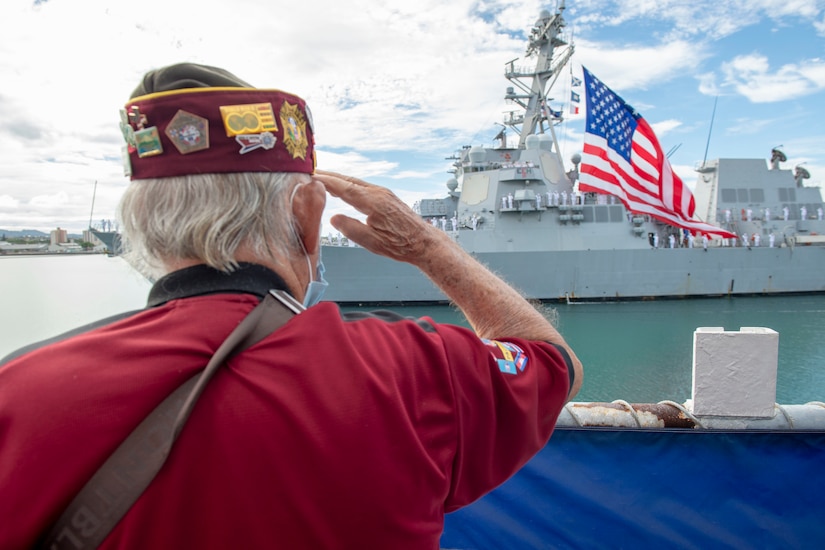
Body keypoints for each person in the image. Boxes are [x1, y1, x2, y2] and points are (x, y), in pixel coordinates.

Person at [0, 62, 582, 549]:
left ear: (143, 232)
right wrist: (429, 245)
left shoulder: (17, 393)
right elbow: (553, 364)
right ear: (308, 215)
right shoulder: (412, 371)